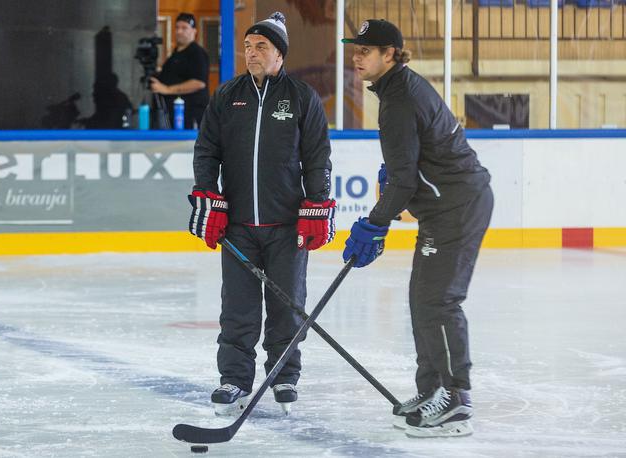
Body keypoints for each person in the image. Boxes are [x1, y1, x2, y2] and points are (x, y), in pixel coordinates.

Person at [341, 19, 493, 438]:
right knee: (422, 299)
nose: (357, 56)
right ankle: (433, 391)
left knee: (440, 301)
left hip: (457, 206)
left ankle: (456, 400)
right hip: (442, 207)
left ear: (390, 54)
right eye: (355, 49)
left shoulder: (400, 98)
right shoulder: (396, 90)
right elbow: (406, 167)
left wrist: (374, 224)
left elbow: (404, 182)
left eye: (366, 50)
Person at [188, 12, 335, 416]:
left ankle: (284, 375)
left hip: (286, 226)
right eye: (248, 47)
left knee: (287, 305)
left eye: (262, 47)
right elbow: (207, 151)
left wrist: (316, 203)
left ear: (279, 55)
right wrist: (207, 195)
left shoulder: (301, 97)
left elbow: (318, 156)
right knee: (238, 307)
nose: (252, 54)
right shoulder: (226, 96)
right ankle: (234, 378)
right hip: (237, 227)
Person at [150, 12, 209, 129]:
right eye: (177, 27)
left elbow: (199, 83)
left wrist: (166, 89)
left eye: (184, 28)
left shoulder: (197, 53)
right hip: (172, 116)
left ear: (194, 31)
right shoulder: (176, 53)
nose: (179, 31)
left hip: (189, 117)